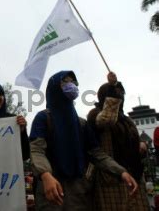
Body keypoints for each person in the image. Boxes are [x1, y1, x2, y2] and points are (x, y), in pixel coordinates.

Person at [30, 71, 138, 211]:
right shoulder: (44, 118)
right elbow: (36, 149)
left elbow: (96, 153)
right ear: (54, 87)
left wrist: (121, 172)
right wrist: (45, 174)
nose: (72, 86)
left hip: (79, 192)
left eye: (74, 83)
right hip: (51, 189)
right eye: (66, 82)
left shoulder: (81, 124)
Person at [87, 72, 149, 210]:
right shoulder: (95, 114)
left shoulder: (127, 121)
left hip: (133, 177)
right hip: (110, 179)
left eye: (121, 94)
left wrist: (141, 146)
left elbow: (133, 144)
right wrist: (112, 86)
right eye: (117, 93)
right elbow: (108, 118)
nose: (120, 96)